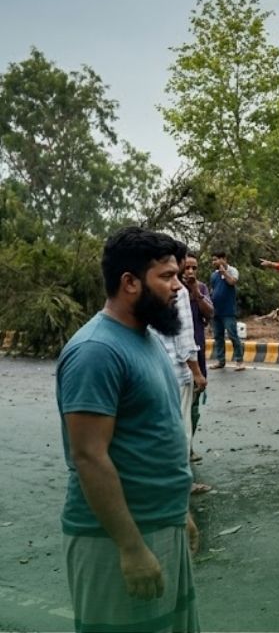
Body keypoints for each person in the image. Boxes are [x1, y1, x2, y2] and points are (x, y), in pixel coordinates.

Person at [56, 227, 200, 631]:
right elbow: (89, 457)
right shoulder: (96, 352)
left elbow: (155, 437)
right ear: (130, 282)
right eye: (167, 277)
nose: (179, 287)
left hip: (161, 524)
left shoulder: (147, 338)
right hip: (117, 539)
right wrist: (131, 547)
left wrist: (179, 511)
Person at [153, 246, 212, 498]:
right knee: (181, 432)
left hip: (157, 370)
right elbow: (184, 338)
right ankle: (181, 484)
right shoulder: (178, 292)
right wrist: (197, 372)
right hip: (178, 374)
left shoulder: (155, 289)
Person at [182, 254, 214, 461]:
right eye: (187, 268)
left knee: (193, 404)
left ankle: (189, 446)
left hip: (197, 351)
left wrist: (195, 291)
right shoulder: (172, 288)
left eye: (194, 267)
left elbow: (210, 313)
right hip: (179, 354)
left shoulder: (200, 288)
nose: (191, 272)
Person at [208, 250, 244, 371]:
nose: (214, 262)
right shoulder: (214, 275)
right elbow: (212, 290)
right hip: (216, 311)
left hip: (228, 311)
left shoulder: (232, 270)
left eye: (216, 259)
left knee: (233, 335)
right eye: (213, 260)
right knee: (218, 337)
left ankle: (239, 361)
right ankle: (220, 360)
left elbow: (232, 282)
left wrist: (225, 272)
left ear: (224, 259)